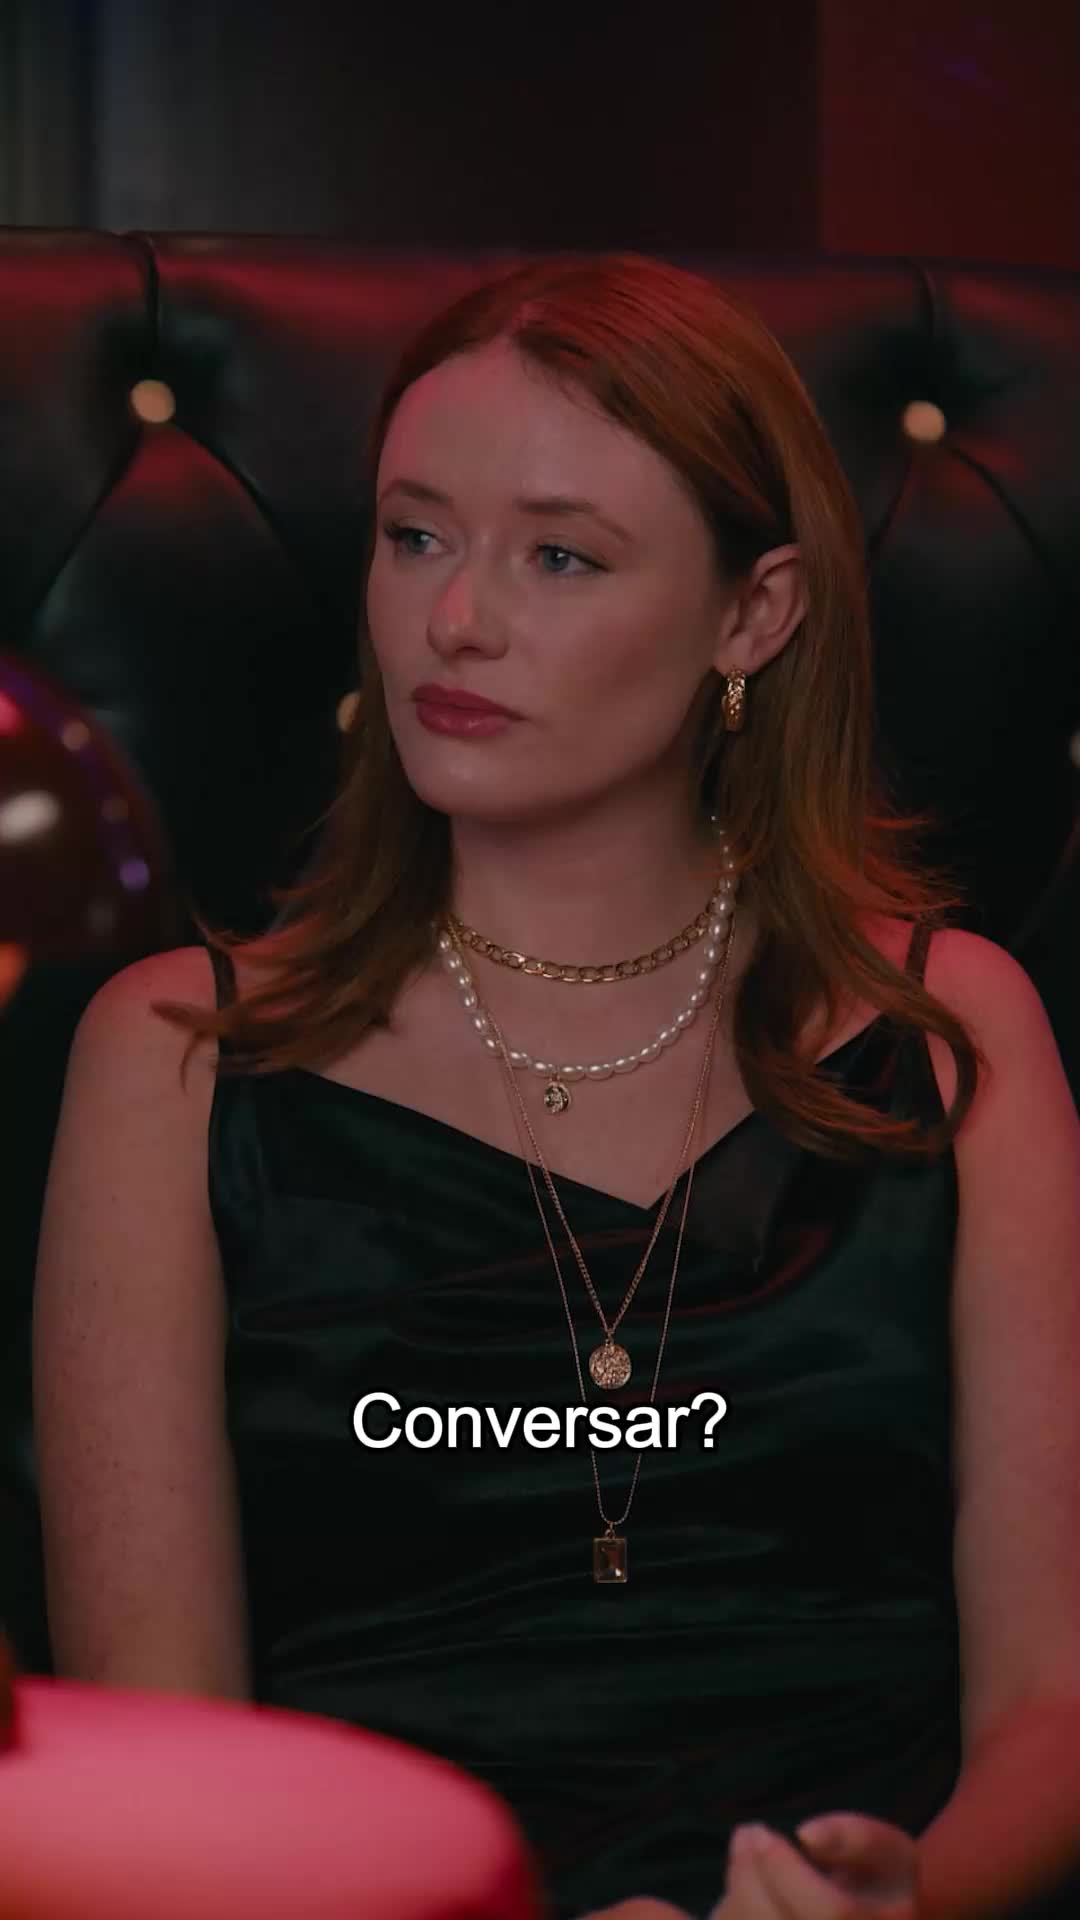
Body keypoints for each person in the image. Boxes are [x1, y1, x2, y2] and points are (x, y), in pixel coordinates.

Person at [31, 253, 1080, 1920]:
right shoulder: (175, 1058)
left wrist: (905, 1902)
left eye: (561, 556)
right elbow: (175, 1766)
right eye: (414, 536)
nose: (456, 619)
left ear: (755, 614)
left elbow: (1054, 1710)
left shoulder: (955, 1032)